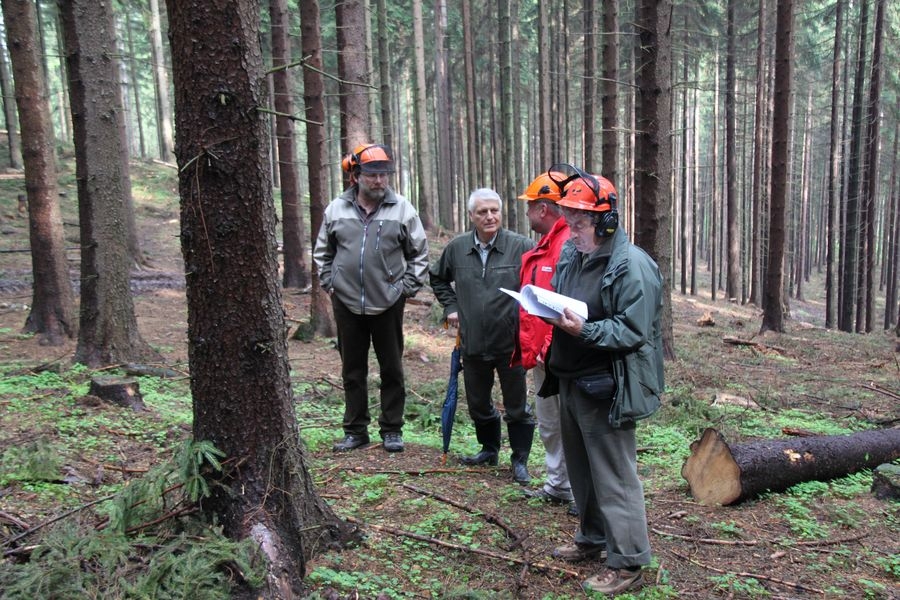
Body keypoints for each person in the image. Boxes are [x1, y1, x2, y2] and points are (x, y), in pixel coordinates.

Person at [544, 170, 664, 596]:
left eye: (579, 223)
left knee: (614, 476)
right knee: (581, 470)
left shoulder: (632, 266)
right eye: (568, 221)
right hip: (571, 378)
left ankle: (628, 562)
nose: (571, 231)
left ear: (606, 221)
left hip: (608, 384)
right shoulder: (574, 253)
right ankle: (592, 536)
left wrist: (586, 331)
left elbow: (633, 330)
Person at [313, 143, 429, 453]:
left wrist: (406, 288)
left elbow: (419, 252)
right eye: (372, 175)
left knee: (391, 368)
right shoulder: (336, 209)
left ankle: (392, 429)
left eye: (384, 174)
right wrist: (330, 282)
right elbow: (323, 251)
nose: (379, 181)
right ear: (356, 176)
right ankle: (355, 431)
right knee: (352, 370)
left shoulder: (402, 209)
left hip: (388, 301)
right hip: (346, 301)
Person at [429, 188, 537, 484]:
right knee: (478, 404)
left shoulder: (522, 246)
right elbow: (438, 278)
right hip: (473, 342)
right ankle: (489, 450)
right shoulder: (457, 248)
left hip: (511, 344)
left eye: (494, 211)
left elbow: (538, 283)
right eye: (482, 212)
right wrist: (451, 307)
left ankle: (520, 460)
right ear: (471, 216)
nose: (489, 217)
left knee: (517, 407)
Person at [512, 172, 577, 514]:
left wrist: (549, 343)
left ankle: (581, 493)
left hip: (563, 353)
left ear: (543, 208)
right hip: (543, 355)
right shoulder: (546, 243)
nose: (527, 213)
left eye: (530, 206)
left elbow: (569, 302)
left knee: (572, 423)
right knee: (550, 422)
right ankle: (559, 485)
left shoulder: (569, 243)